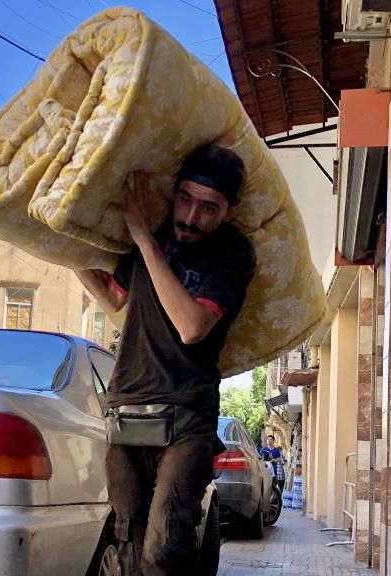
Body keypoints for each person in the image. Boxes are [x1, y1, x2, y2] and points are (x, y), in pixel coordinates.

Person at [75, 144, 256, 575]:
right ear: (173, 192)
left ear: (229, 210)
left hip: (186, 413)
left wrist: (141, 237)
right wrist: (68, 247)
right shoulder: (152, 236)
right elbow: (115, 299)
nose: (191, 217)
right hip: (127, 405)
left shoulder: (231, 253)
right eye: (185, 199)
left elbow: (191, 326)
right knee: (126, 546)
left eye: (208, 207)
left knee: (166, 548)